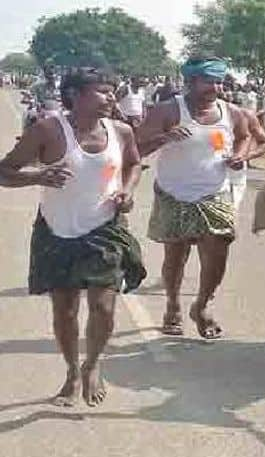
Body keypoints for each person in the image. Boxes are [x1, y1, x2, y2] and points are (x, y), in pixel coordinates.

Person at [0, 67, 146, 407]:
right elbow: (5, 171)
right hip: (57, 231)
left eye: (113, 91)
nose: (111, 97)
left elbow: (134, 164)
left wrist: (127, 191)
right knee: (65, 310)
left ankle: (93, 364)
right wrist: (38, 176)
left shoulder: (121, 130)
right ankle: (71, 369)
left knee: (103, 305)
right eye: (102, 91)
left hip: (105, 230)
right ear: (75, 95)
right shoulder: (48, 130)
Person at [137, 56, 251, 339]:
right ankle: (173, 304)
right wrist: (165, 137)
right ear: (190, 81)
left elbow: (246, 136)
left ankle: (202, 305)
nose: (215, 86)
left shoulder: (231, 111)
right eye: (208, 81)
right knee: (176, 255)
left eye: (218, 81)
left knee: (219, 248)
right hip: (174, 193)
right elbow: (135, 148)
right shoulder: (166, 110)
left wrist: (240, 155)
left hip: (215, 192)